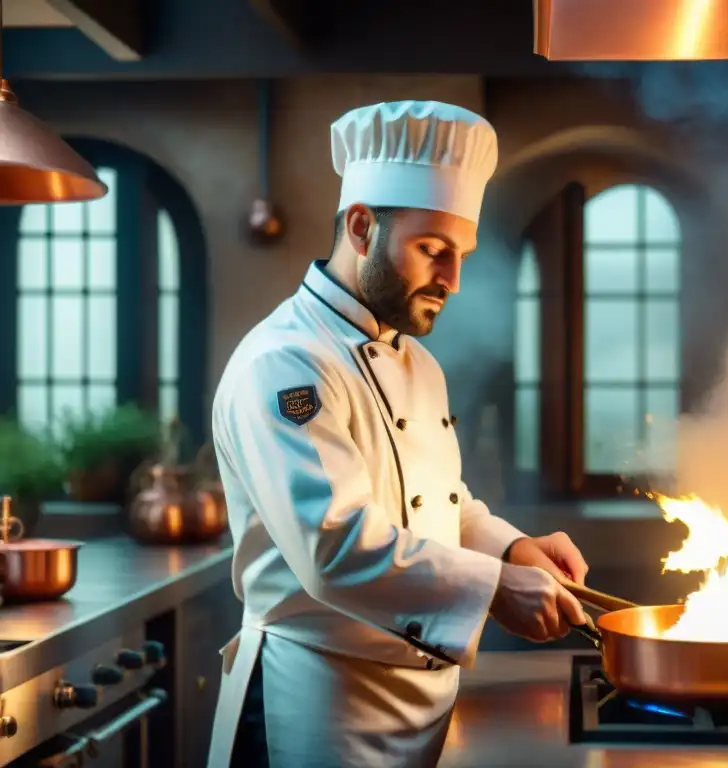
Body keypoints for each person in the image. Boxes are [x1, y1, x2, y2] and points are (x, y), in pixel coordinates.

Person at [206, 100, 590, 768]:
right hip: (321, 708)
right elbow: (336, 545)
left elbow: (438, 504)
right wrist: (494, 588)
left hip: (422, 706)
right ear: (361, 227)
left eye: (461, 255)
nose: (454, 280)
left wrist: (514, 548)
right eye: (434, 251)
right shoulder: (286, 362)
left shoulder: (418, 362)